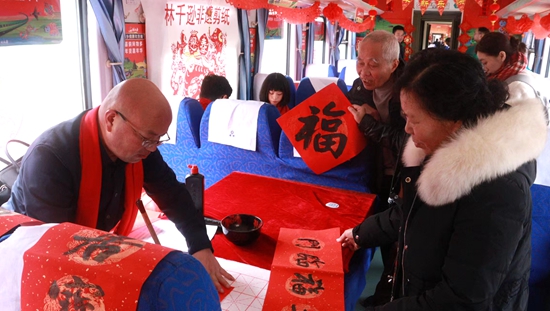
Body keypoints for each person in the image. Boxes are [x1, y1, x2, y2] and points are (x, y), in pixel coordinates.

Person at [337, 48, 548, 310]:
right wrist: (359, 234)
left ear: (453, 119)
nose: (407, 129)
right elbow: (412, 211)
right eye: (405, 118)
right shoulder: (439, 148)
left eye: (414, 119)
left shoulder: (498, 191)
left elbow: (461, 299)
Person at [6, 78, 235, 293]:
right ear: (111, 119)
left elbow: (172, 194)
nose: (153, 148)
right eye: (148, 139)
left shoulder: (142, 148)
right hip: (25, 259)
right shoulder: (51, 158)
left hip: (88, 247)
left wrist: (200, 246)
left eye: (158, 140)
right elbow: (55, 250)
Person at [346, 29, 407, 306]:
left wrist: (369, 125)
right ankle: (385, 292)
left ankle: (389, 297)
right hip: (375, 174)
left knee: (400, 243)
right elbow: (345, 114)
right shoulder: (360, 88)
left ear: (394, 65)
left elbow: (409, 142)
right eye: (360, 61)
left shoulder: (409, 91)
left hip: (404, 177)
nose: (364, 71)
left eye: (373, 64)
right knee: (384, 237)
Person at [476, 31, 546, 102]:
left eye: (485, 63)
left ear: (501, 56)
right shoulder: (508, 76)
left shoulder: (517, 87)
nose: (483, 68)